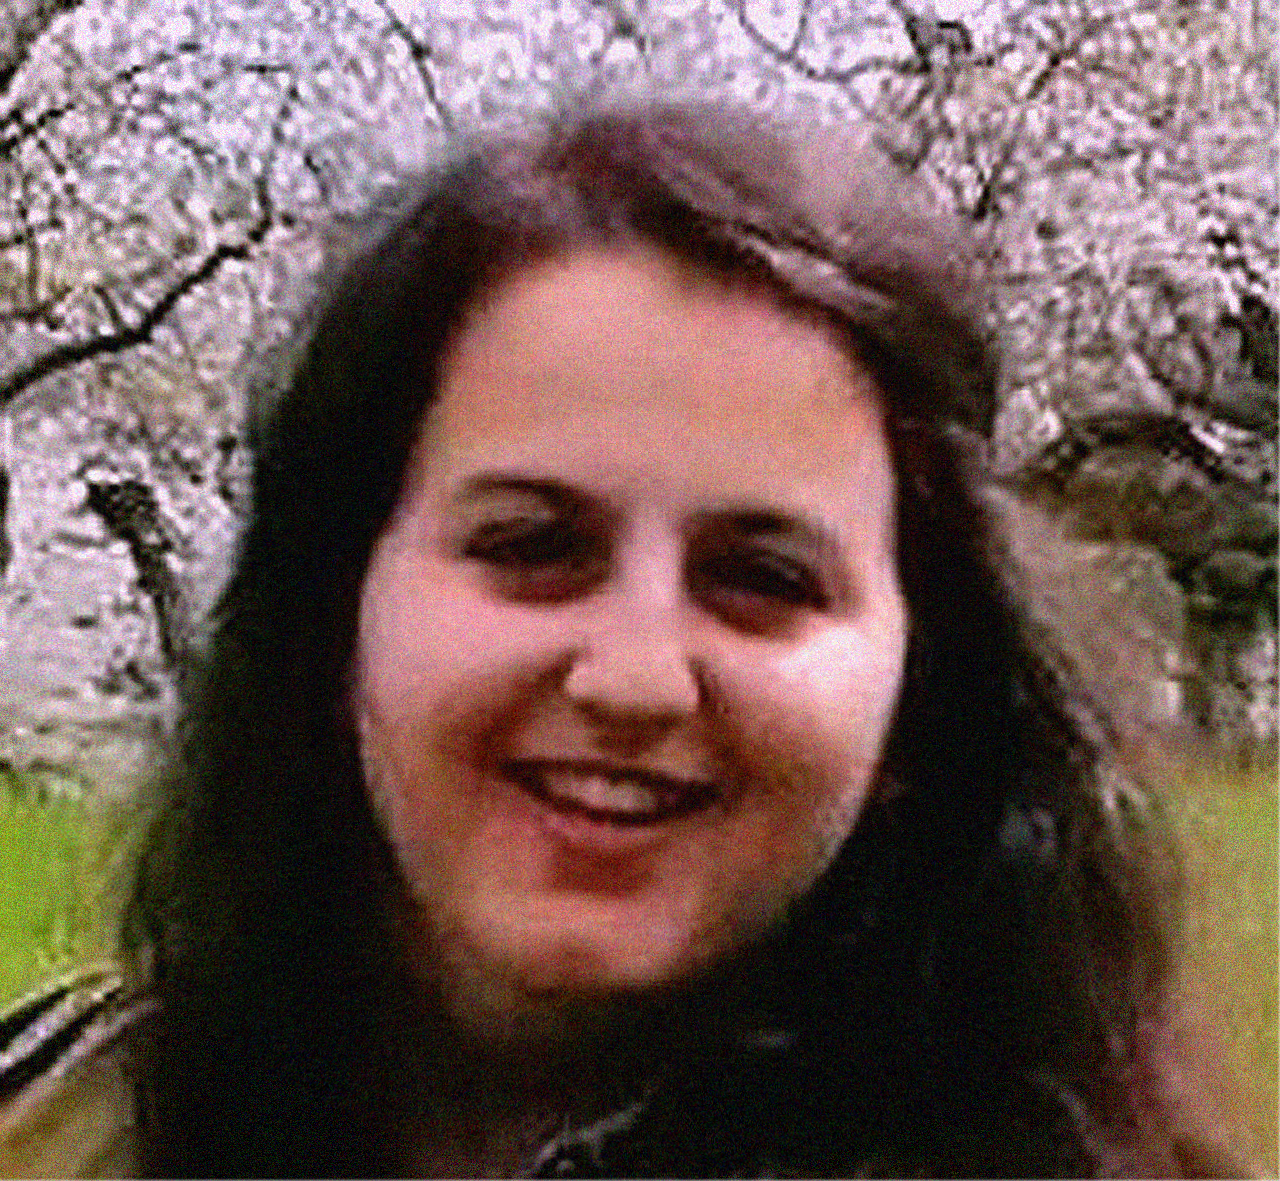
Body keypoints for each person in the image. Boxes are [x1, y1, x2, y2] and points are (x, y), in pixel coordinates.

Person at [0, 98, 1245, 1178]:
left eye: (760, 576)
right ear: (336, 606)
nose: (635, 678)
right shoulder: (51, 1121)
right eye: (532, 545)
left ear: (923, 688)